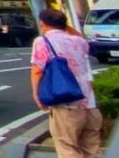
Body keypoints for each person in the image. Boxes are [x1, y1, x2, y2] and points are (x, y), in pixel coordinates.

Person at [31, 8, 103, 158]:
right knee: (92, 148)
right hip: (89, 103)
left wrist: (37, 95)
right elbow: (81, 38)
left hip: (66, 104)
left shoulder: (42, 41)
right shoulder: (78, 41)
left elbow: (37, 70)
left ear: (42, 23)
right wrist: (65, 26)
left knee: (67, 147)